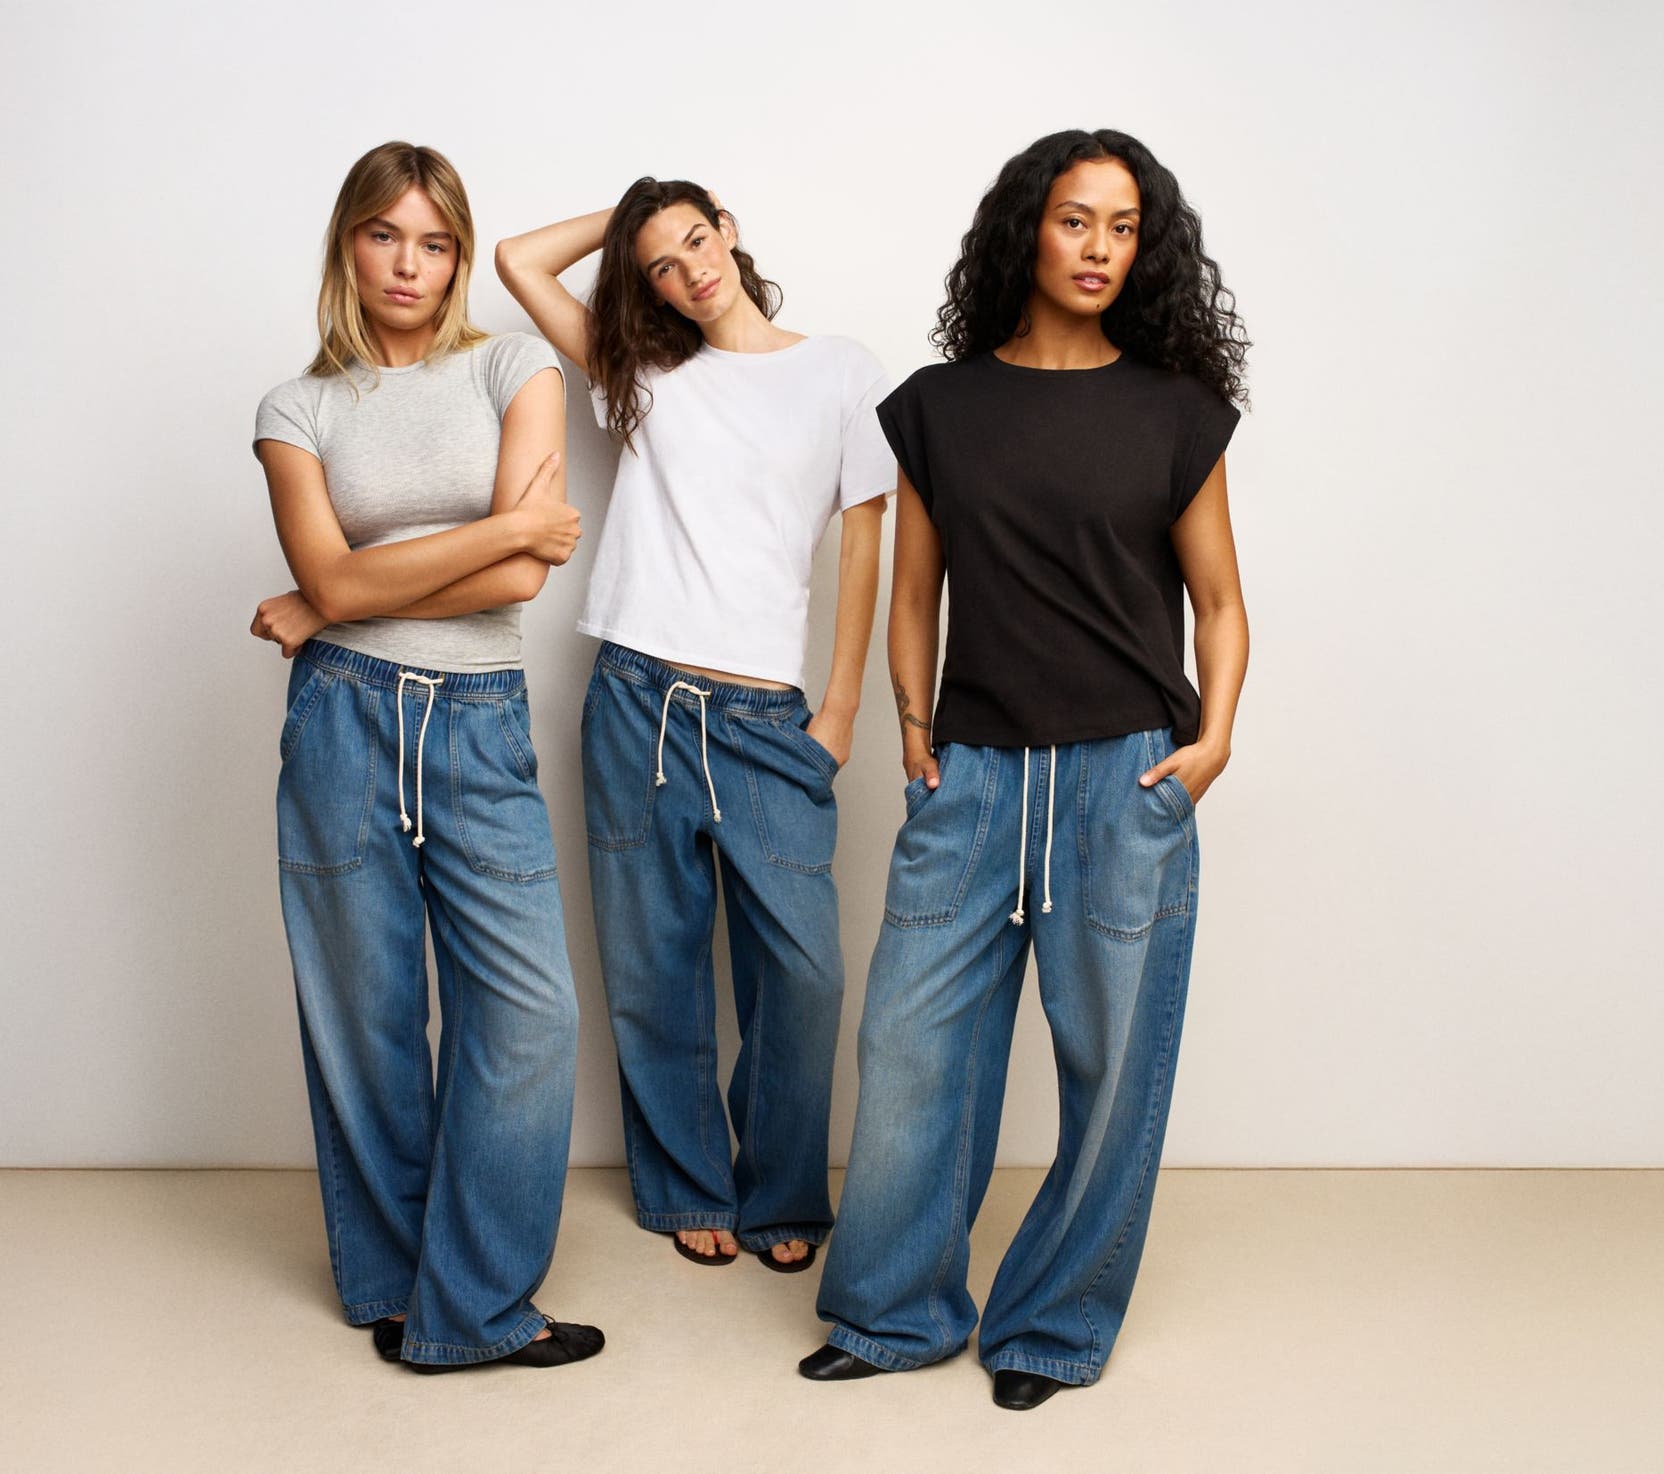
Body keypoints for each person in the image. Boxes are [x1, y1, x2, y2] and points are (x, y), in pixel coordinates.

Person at [802, 127, 1251, 1410]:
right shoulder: (941, 406)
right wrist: (909, 727)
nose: (1099, 247)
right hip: (977, 774)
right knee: (909, 1048)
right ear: (1026, 228)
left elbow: (1216, 602)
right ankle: (892, 1314)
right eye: (1074, 220)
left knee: (1111, 1064)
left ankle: (1050, 1326)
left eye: (1121, 226)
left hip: (1125, 776)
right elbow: (914, 587)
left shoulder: (1174, 414)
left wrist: (1210, 740)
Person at [246, 140, 602, 1371]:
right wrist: (482, 530)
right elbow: (348, 572)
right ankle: (398, 1293)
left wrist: (335, 592)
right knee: (366, 1018)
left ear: (459, 253)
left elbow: (522, 576)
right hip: (340, 719)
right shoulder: (298, 408)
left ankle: (477, 1304)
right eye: (386, 235)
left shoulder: (515, 366)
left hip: (476, 717)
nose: (411, 263)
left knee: (529, 1015)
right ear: (348, 242)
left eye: (437, 241)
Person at [496, 179, 894, 1271]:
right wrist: (627, 208)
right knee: (651, 963)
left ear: (727, 227)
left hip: (769, 715)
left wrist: (841, 709)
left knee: (803, 972)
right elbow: (518, 263)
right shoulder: (646, 374)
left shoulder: (841, 371)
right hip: (635, 698)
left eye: (692, 241)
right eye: (659, 265)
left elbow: (864, 544)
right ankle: (683, 1185)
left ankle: (779, 1194)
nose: (687, 271)